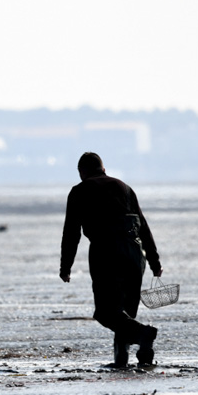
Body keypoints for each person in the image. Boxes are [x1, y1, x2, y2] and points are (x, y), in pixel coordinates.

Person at [59, 152, 163, 367]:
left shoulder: (79, 191)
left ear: (81, 172)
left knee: (106, 312)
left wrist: (66, 266)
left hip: (105, 252)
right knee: (125, 313)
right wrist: (154, 261)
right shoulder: (124, 187)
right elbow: (143, 225)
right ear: (103, 169)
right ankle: (126, 360)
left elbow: (71, 232)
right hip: (135, 254)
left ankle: (144, 335)